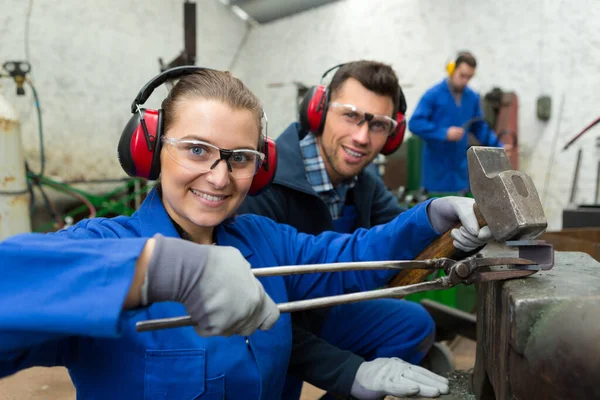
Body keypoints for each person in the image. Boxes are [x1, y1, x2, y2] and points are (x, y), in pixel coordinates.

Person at [0, 66, 491, 399]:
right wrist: (157, 273)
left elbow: (350, 256)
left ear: (260, 167)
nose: (218, 176)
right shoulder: (103, 248)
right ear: (151, 149)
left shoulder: (264, 240)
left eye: (239, 158)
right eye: (195, 149)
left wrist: (432, 216)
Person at [237, 60, 454, 399]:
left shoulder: (363, 182)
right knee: (273, 375)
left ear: (393, 134)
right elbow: (251, 317)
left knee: (413, 325)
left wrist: (451, 231)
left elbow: (394, 236)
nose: (362, 137)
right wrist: (350, 372)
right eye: (350, 115)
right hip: (273, 319)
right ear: (318, 110)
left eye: (379, 125)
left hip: (326, 310)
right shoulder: (265, 184)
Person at [408, 51, 508, 193]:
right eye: (462, 75)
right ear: (452, 69)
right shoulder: (433, 94)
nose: (465, 81)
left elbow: (479, 127)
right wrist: (444, 133)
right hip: (436, 171)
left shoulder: (472, 97)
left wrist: (499, 147)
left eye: (469, 77)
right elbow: (415, 123)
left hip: (460, 172)